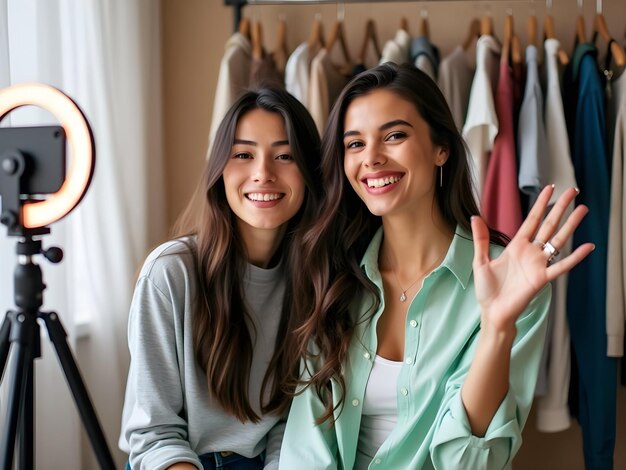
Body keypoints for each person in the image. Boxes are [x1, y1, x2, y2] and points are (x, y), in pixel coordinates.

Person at [279, 63, 594, 469]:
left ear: (441, 148)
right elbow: (305, 450)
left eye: (394, 135)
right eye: (354, 144)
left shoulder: (511, 283)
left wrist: (497, 328)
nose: (372, 158)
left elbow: (469, 461)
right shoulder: (332, 272)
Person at [119, 87, 321, 470]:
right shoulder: (170, 273)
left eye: (285, 156)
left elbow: (292, 425)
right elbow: (153, 434)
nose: (263, 173)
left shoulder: (316, 278)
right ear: (219, 170)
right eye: (243, 155)